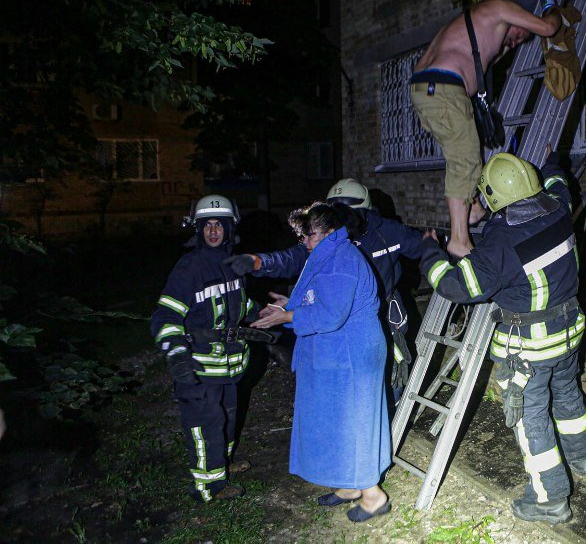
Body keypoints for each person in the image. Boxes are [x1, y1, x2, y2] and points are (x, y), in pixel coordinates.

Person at [418, 150, 586, 524]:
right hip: (569, 334)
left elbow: (455, 285)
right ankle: (581, 458)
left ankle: (550, 499)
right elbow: (557, 180)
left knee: (532, 419)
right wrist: (552, 160)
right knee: (567, 395)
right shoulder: (559, 206)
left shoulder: (501, 242)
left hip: (529, 348)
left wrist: (428, 252)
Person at [251, 202, 392, 522]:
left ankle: (373, 495)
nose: (304, 241)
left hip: (351, 357)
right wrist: (290, 305)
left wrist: (287, 316)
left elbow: (331, 314)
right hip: (335, 354)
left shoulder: (341, 258)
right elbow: (321, 299)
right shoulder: (327, 253)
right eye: (302, 235)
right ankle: (348, 485)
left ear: (329, 230)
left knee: (353, 424)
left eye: (309, 234)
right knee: (335, 423)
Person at [225, 178, 425, 402]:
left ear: (364, 213)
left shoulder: (387, 233)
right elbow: (295, 256)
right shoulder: (328, 241)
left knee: (388, 381)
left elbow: (423, 245)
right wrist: (259, 262)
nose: (340, 225)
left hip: (382, 319)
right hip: (341, 329)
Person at [410, 0, 563, 259]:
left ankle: (474, 207)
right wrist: (553, 10)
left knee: (466, 151)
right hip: (443, 87)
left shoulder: (477, 28)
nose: (515, 43)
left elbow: (488, 58)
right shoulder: (500, 8)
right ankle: (459, 239)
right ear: (517, 17)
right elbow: (549, 28)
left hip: (430, 88)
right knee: (464, 157)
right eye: (519, 36)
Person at [150, 194, 257, 502]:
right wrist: (177, 355)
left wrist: (261, 313)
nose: (213, 231)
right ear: (197, 229)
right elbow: (165, 315)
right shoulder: (190, 268)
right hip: (199, 369)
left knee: (227, 417)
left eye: (219, 225)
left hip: (231, 367)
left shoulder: (233, 264)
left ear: (230, 228)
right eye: (207, 225)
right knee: (205, 423)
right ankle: (208, 486)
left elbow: (239, 303)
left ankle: (220, 465)